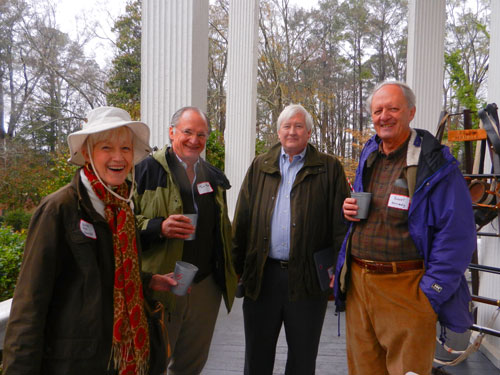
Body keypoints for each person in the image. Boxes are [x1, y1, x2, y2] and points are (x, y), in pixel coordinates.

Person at [3, 106, 178, 375]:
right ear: (87, 153)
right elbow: (30, 302)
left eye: (126, 148)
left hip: (133, 357)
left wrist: (147, 280)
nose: (118, 157)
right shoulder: (59, 209)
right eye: (106, 147)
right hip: (79, 362)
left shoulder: (124, 205)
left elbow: (108, 271)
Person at [333, 81, 476, 375]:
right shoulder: (369, 154)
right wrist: (351, 211)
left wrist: (430, 294)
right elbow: (373, 211)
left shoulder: (436, 165)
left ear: (411, 112)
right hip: (360, 284)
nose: (384, 116)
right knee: (362, 370)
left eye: (393, 109)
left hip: (407, 288)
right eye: (378, 110)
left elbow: (458, 236)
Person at [232, 104, 350, 375]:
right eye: (287, 126)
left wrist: (339, 267)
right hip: (263, 276)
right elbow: (242, 220)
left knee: (302, 357)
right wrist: (236, 267)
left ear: (309, 132)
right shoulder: (260, 165)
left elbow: (340, 224)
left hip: (308, 279)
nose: (292, 131)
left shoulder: (328, 168)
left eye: (298, 126)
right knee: (257, 356)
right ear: (278, 131)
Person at [133, 106, 237, 375]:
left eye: (201, 134)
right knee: (153, 361)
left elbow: (222, 230)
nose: (194, 140)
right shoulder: (144, 171)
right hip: (163, 283)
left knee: (192, 363)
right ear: (171, 132)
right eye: (187, 132)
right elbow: (122, 225)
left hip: (204, 285)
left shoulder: (213, 177)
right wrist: (159, 226)